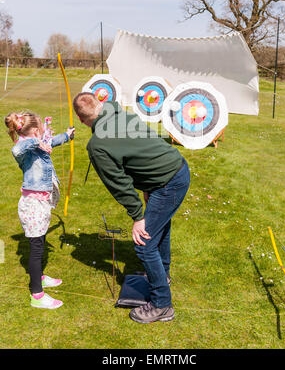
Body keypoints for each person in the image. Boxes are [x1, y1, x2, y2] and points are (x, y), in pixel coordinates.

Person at [73, 92, 190, 324]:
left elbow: (119, 184)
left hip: (168, 182)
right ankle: (162, 276)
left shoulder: (98, 145)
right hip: (176, 170)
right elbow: (146, 145)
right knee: (159, 229)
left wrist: (138, 216)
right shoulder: (121, 114)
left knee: (144, 244)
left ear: (81, 119)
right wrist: (148, 186)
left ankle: (162, 304)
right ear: (99, 103)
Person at [5, 111, 75, 309]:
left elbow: (49, 141)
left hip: (40, 204)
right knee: (36, 250)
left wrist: (67, 136)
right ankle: (37, 295)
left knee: (41, 241)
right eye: (40, 132)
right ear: (35, 131)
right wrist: (37, 143)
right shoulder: (26, 150)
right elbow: (18, 148)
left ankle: (41, 277)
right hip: (32, 205)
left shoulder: (38, 145)